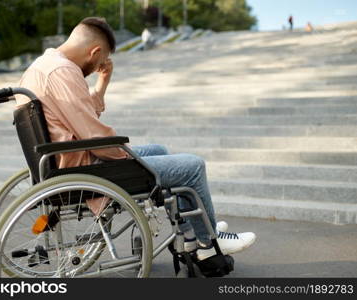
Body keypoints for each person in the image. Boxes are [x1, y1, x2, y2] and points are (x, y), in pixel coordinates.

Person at [15, 17, 256, 261]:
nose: (99, 65)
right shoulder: (63, 71)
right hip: (85, 168)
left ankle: (194, 229)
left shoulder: (44, 65)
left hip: (63, 161)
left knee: (159, 149)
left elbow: (78, 117)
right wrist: (127, 158)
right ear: (95, 51)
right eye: (101, 59)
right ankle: (208, 242)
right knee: (193, 166)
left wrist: (102, 83)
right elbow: (93, 134)